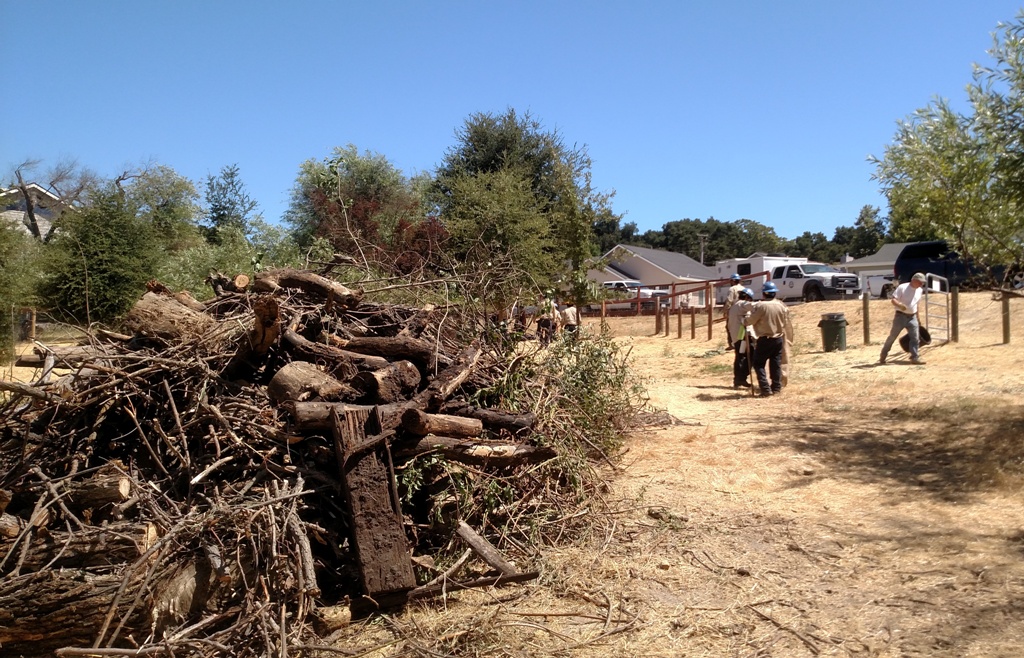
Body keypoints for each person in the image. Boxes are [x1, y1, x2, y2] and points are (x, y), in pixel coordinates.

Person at [745, 281, 791, 396]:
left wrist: (745, 320)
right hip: (778, 339)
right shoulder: (781, 305)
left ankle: (765, 389)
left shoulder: (761, 306)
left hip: (765, 339)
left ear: (764, 293)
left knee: (758, 364)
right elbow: (786, 322)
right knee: (775, 364)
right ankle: (776, 388)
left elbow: (750, 320)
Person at [879, 272, 927, 365]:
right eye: (920, 282)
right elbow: (893, 299)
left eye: (922, 283)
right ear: (914, 280)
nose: (921, 284)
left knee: (915, 338)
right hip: (900, 317)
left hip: (912, 317)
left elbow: (917, 304)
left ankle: (915, 357)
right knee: (892, 337)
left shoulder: (919, 290)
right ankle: (883, 355)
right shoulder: (903, 287)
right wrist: (900, 305)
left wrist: (918, 317)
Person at [727, 287, 755, 388]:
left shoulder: (734, 306)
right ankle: (741, 378)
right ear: (747, 297)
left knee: (740, 356)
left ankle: (738, 379)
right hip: (742, 336)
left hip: (737, 336)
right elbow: (753, 306)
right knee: (749, 356)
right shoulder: (742, 304)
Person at [722, 273, 745, 347]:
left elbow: (729, 300)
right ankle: (741, 341)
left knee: (729, 327)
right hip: (743, 309)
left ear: (733, 281)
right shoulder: (743, 288)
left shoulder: (732, 289)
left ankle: (732, 344)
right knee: (742, 326)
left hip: (733, 310)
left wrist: (726, 311)